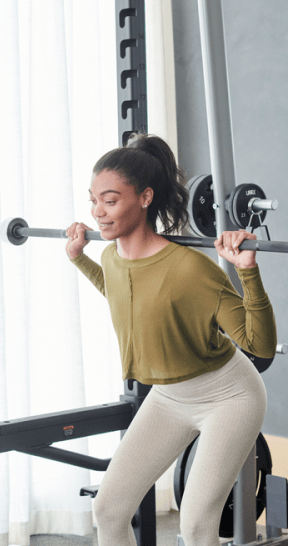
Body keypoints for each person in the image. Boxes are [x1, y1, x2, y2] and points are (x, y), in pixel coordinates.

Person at [65, 134, 276, 546]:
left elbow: (260, 345)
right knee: (108, 509)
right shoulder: (110, 257)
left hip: (228, 397)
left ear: (145, 198)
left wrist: (248, 270)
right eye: (93, 200)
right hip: (167, 397)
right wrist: (80, 259)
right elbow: (124, 296)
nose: (97, 213)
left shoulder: (190, 271)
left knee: (197, 526)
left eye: (110, 201)